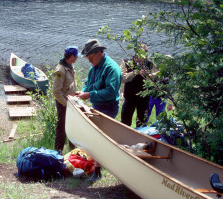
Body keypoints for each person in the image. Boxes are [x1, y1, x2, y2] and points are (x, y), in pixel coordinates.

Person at [77, 39, 122, 181]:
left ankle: (97, 171)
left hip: (109, 107)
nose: (90, 61)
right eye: (88, 59)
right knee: (96, 137)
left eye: (91, 58)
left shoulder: (111, 68)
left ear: (100, 53)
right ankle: (97, 166)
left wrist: (90, 95)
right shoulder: (94, 66)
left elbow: (110, 91)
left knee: (99, 139)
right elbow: (88, 83)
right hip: (97, 105)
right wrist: (82, 92)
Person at [120, 44, 157, 127]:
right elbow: (122, 78)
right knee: (125, 122)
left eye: (145, 57)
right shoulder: (126, 62)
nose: (144, 59)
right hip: (130, 97)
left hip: (144, 99)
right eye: (142, 56)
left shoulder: (150, 64)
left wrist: (148, 75)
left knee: (142, 123)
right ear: (137, 55)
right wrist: (135, 72)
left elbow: (156, 78)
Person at [53, 46, 80, 155]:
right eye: (76, 55)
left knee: (72, 126)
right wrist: (65, 104)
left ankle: (73, 149)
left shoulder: (70, 66)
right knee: (62, 126)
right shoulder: (61, 70)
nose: (77, 57)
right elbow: (56, 91)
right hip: (63, 103)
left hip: (71, 102)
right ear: (72, 56)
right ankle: (58, 150)